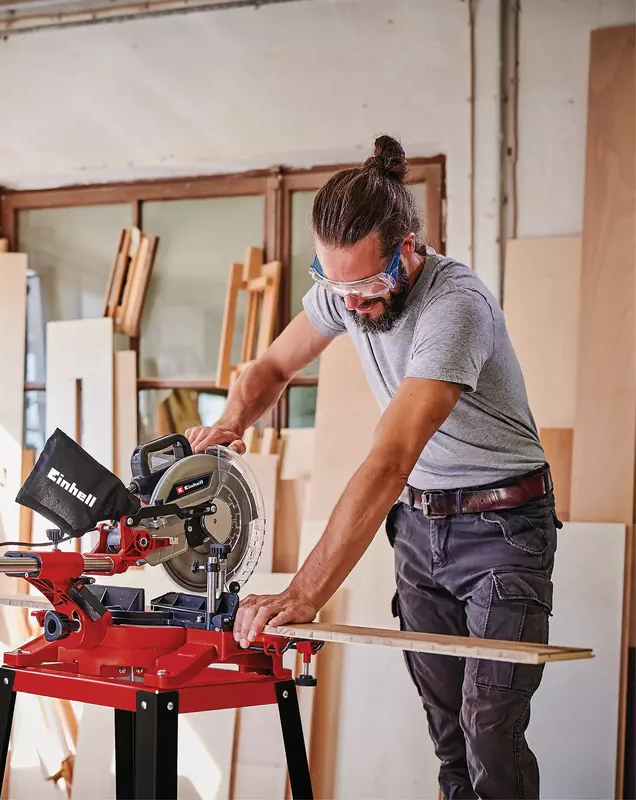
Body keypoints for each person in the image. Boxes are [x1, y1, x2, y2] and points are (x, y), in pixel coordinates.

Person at [185, 135, 559, 799]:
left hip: (501, 529)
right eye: (336, 286)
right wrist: (230, 424)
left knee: (490, 731)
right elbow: (270, 367)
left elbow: (389, 459)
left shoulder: (456, 308)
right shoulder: (344, 290)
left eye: (368, 284)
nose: (353, 304)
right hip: (420, 528)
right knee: (448, 735)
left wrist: (303, 593)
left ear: (409, 245)